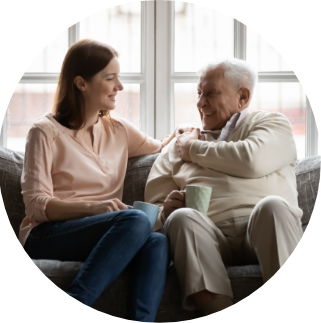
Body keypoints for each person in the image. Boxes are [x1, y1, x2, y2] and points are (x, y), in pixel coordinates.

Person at [19, 39, 190, 323]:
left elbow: (160, 146)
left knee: (157, 241)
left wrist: (184, 135)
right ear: (81, 83)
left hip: (105, 231)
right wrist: (95, 208)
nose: (119, 87)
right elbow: (36, 206)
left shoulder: (119, 130)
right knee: (136, 220)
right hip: (48, 235)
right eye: (110, 78)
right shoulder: (44, 132)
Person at [144, 58, 304, 316]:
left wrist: (192, 149)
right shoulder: (177, 147)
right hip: (208, 235)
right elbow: (150, 210)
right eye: (199, 93)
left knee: (273, 206)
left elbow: (251, 160)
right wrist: (165, 212)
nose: (200, 103)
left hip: (262, 228)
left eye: (211, 93)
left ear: (243, 97)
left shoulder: (271, 125)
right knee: (183, 217)